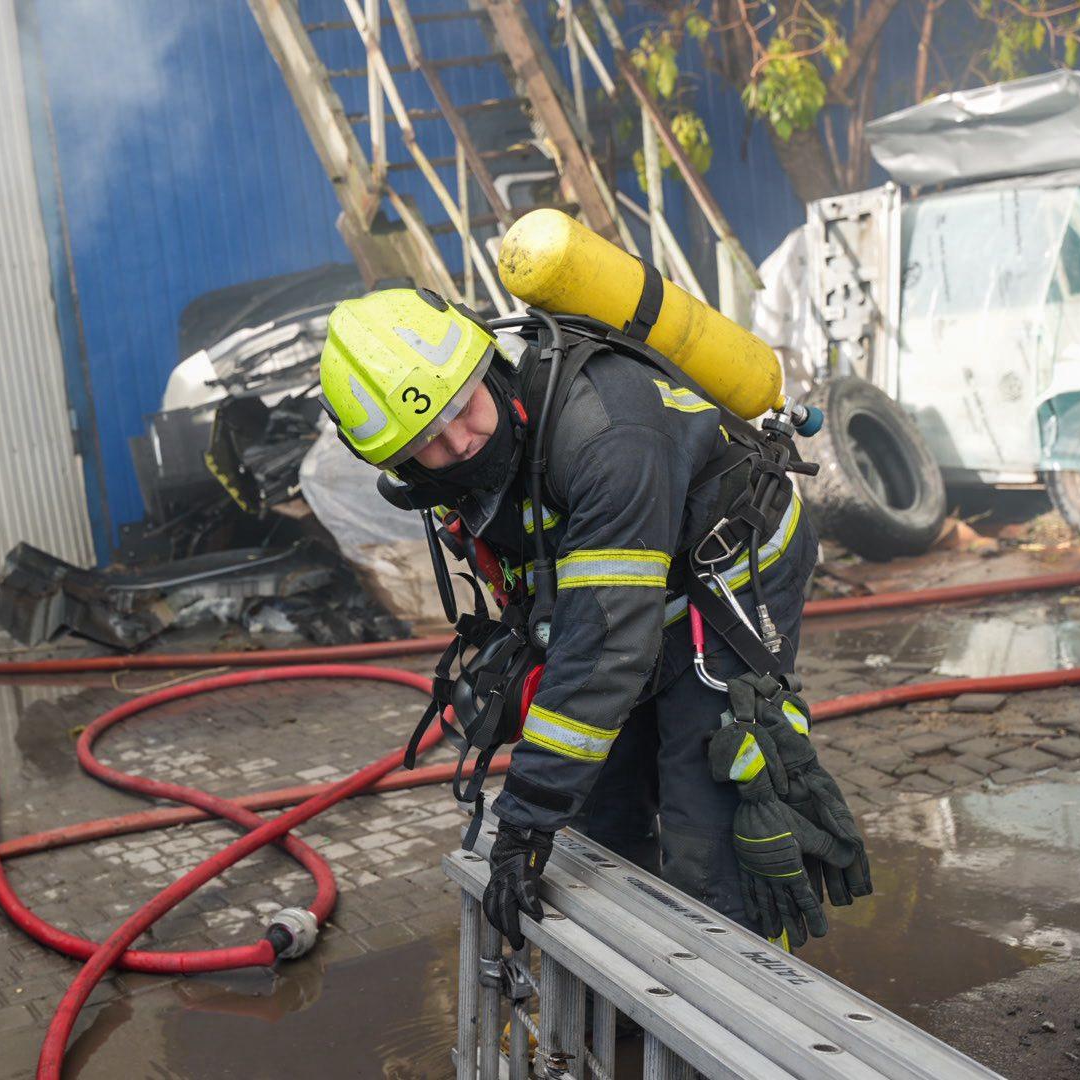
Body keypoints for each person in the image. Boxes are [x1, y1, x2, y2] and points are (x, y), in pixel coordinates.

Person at [316, 286, 870, 951]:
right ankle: (623, 1006)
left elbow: (605, 647)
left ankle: (730, 1014)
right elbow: (584, 626)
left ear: (487, 367)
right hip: (635, 586)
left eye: (464, 409)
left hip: (727, 580)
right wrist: (548, 800)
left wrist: (523, 822)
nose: (460, 442)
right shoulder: (461, 467)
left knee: (708, 815)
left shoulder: (607, 433)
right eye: (429, 442)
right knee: (598, 809)